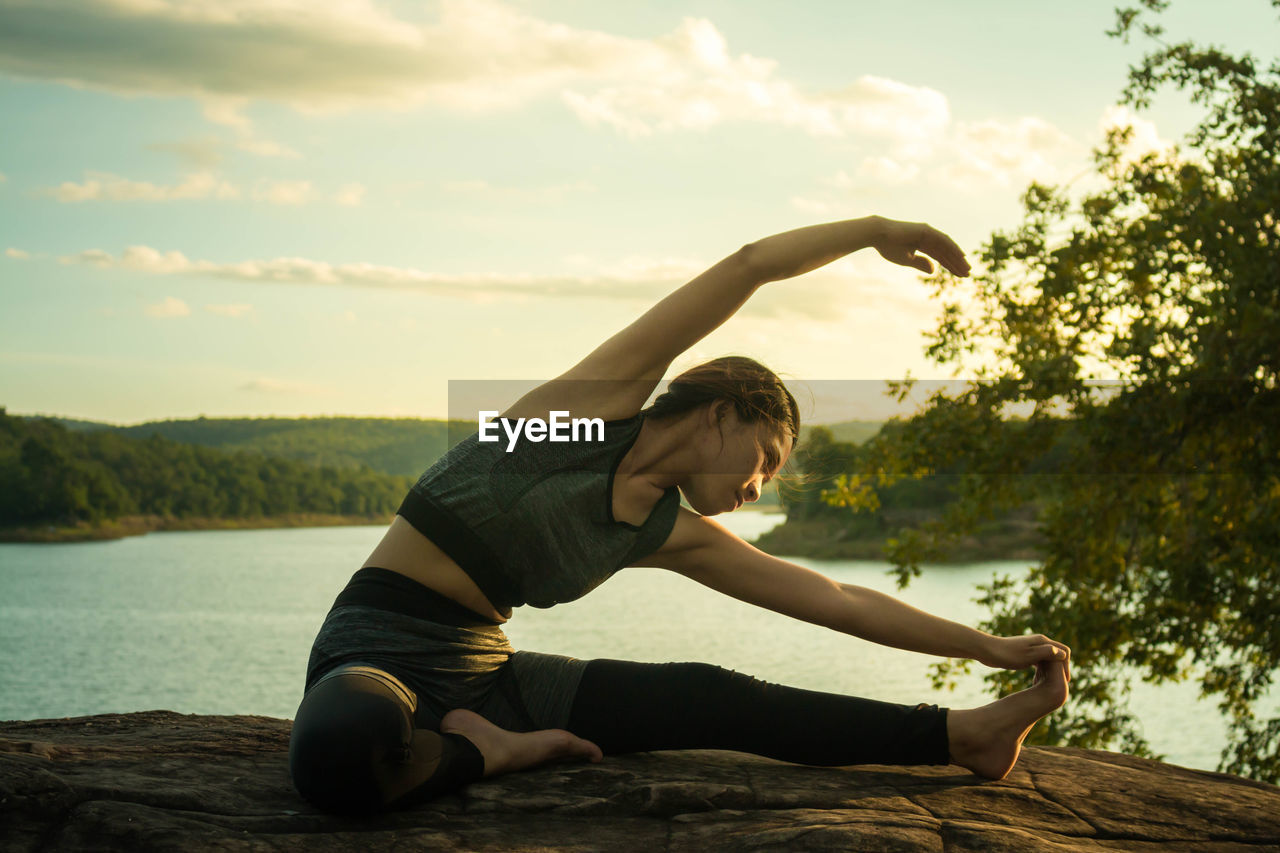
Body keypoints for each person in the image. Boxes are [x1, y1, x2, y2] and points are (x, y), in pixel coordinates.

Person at [288, 214, 1072, 815]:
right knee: (338, 749)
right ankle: (485, 757)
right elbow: (748, 267)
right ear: (724, 411)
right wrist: (875, 231)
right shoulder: (576, 418)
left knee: (715, 695)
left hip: (491, 678)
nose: (760, 488)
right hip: (379, 650)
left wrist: (985, 645)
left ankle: (962, 735)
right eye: (766, 460)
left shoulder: (667, 530)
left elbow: (836, 600)